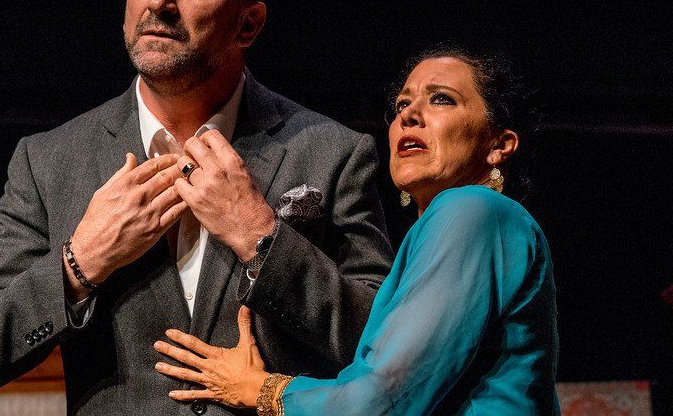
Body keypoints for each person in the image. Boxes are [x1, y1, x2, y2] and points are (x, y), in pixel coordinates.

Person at [0, 0, 393, 414]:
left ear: (248, 23)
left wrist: (264, 240)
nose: (159, 0)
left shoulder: (331, 151)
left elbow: (384, 344)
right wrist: (80, 262)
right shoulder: (49, 160)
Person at [153, 47, 560, 415]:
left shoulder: (473, 210)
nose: (408, 115)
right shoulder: (453, 227)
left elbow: (385, 398)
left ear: (498, 144)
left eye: (441, 99)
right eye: (401, 104)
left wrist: (262, 389)